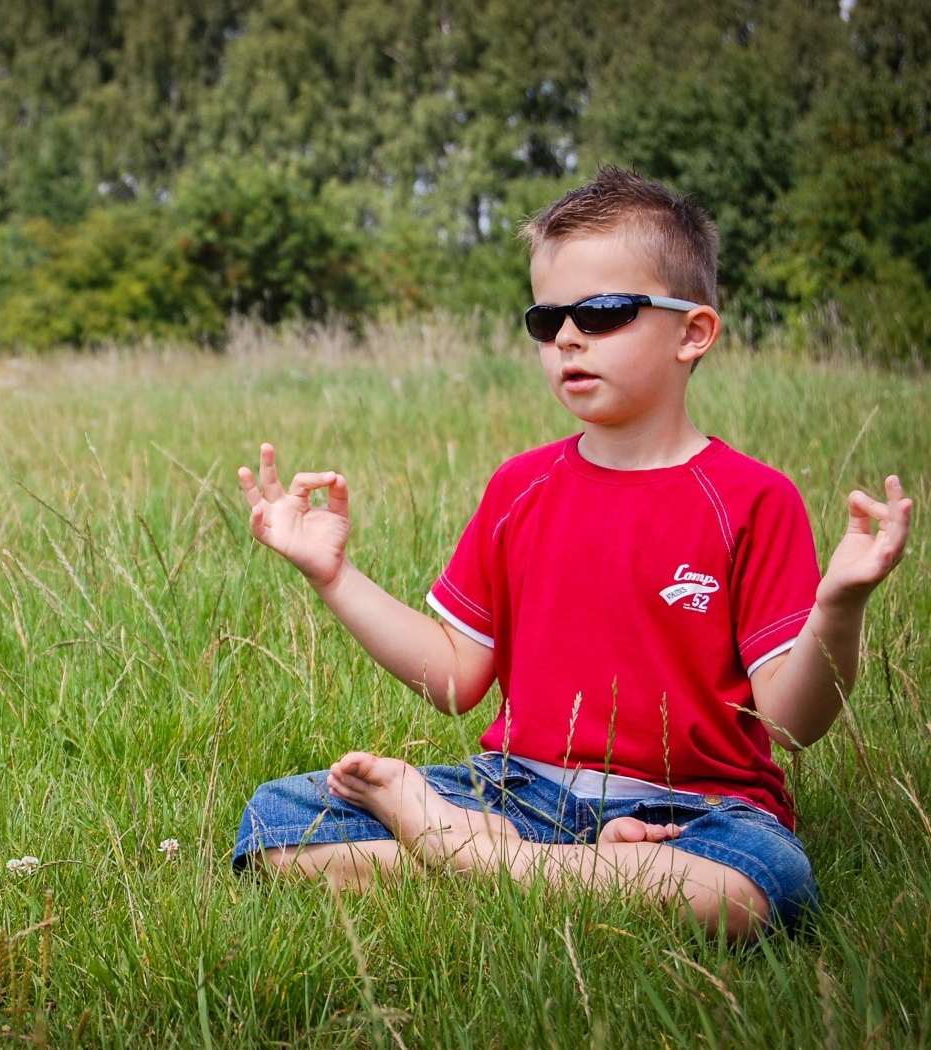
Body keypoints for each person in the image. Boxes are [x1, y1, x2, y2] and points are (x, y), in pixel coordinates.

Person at [230, 168, 914, 938]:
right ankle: (542, 867)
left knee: (759, 889)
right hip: (517, 792)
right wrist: (333, 575)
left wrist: (839, 607)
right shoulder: (519, 488)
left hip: (695, 811)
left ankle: (468, 858)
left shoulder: (753, 499)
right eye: (547, 318)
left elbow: (790, 724)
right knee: (278, 821)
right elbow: (456, 677)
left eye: (603, 312)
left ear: (693, 332)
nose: (567, 338)